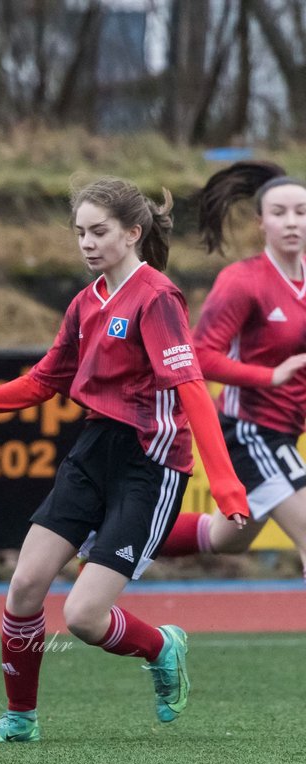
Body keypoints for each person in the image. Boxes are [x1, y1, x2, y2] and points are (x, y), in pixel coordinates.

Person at [0, 176, 249, 743]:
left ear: (133, 232)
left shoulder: (157, 297)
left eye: (99, 231)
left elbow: (194, 389)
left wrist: (225, 486)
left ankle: (160, 646)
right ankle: (19, 719)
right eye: (79, 232)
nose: (86, 243)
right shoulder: (86, 302)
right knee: (25, 585)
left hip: (149, 465)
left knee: (81, 618)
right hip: (92, 451)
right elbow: (42, 381)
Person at [157, 162, 306, 572]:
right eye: (279, 213)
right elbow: (200, 355)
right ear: (261, 223)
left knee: (227, 537)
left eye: (301, 212)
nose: (291, 222)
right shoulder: (243, 281)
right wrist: (269, 376)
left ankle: (109, 537)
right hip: (250, 429)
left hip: (285, 431)